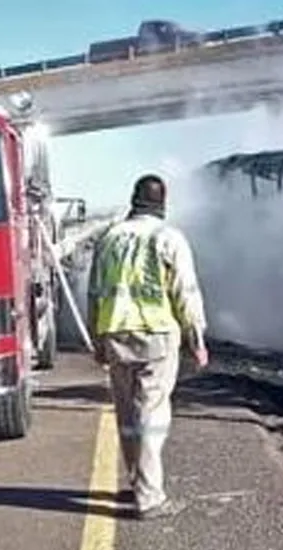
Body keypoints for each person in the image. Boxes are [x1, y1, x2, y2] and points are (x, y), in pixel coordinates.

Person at [87, 174, 209, 520]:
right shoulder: (168, 238)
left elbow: (94, 293)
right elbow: (185, 292)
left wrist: (97, 340)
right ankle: (150, 498)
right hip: (156, 335)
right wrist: (196, 339)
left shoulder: (109, 238)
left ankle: (138, 482)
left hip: (114, 333)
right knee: (152, 414)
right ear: (162, 204)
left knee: (127, 414)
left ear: (133, 200)